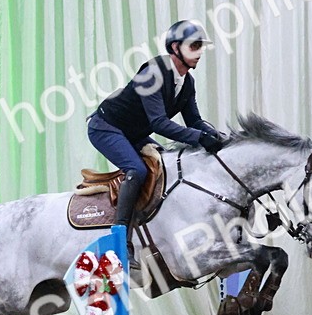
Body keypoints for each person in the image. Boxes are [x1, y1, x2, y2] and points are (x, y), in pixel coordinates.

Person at [86, 20, 226, 243]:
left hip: (133, 132)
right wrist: (200, 138)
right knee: (137, 170)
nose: (199, 52)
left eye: (201, 46)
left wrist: (218, 137)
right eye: (194, 46)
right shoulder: (153, 72)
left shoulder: (187, 82)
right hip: (105, 127)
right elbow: (159, 123)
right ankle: (120, 237)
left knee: (167, 165)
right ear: (175, 48)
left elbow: (195, 121)